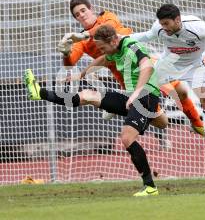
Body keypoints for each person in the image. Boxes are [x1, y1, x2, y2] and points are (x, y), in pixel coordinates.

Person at [24, 24, 165, 196]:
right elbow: (103, 59)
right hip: (131, 96)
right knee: (87, 96)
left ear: (113, 40)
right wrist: (81, 75)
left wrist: (136, 92)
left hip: (145, 95)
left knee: (127, 137)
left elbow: (147, 66)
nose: (101, 50)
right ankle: (40, 92)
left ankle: (150, 187)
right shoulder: (114, 50)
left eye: (103, 47)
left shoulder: (131, 46)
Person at [57, 0, 205, 143]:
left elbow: (109, 28)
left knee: (182, 91)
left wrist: (84, 35)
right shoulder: (80, 41)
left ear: (91, 9)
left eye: (83, 10)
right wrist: (65, 52)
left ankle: (197, 124)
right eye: (77, 14)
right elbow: (70, 62)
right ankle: (119, 106)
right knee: (162, 122)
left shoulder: (106, 17)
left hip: (142, 61)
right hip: (127, 78)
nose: (81, 15)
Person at [131, 3, 205, 168]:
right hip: (170, 64)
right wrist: (119, 38)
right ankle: (118, 106)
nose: (164, 28)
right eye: (161, 24)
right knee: (144, 89)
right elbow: (145, 36)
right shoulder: (159, 28)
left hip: (195, 66)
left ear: (177, 20)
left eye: (166, 24)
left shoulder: (198, 28)